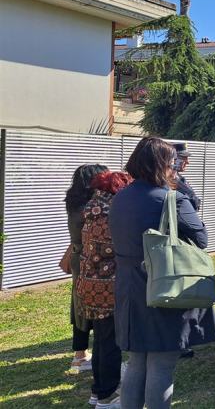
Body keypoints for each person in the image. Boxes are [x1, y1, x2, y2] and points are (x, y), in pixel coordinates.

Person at [109, 137, 215, 409]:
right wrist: (184, 194)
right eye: (173, 163)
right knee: (161, 364)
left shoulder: (120, 197)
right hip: (163, 285)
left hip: (128, 288)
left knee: (136, 362)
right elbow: (202, 238)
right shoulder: (172, 199)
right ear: (162, 165)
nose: (176, 169)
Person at [77, 170, 132, 409]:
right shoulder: (112, 215)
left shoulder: (91, 211)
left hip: (89, 284)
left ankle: (97, 390)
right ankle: (108, 395)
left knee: (100, 338)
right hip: (108, 286)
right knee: (110, 341)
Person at [64, 163, 108, 376]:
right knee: (95, 302)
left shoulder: (73, 203)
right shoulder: (93, 207)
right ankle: (84, 357)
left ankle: (79, 353)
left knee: (79, 302)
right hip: (91, 257)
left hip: (76, 256)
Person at [172, 142, 201, 211]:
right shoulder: (169, 180)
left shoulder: (179, 178)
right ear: (174, 159)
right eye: (184, 158)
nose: (187, 162)